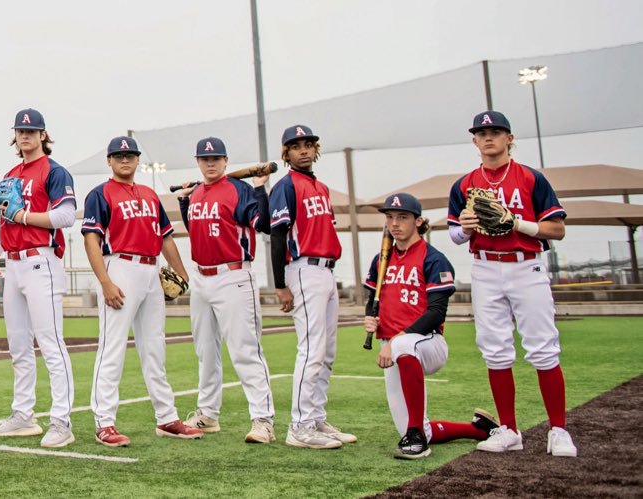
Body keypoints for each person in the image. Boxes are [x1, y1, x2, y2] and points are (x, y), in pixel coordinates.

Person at [447, 111, 574, 457]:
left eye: (496, 131)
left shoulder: (531, 179)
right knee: (495, 349)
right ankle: (509, 430)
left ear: (509, 138)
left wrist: (517, 223)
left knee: (543, 348)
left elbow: (557, 229)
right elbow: (455, 234)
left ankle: (558, 430)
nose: (489, 137)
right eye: (482, 132)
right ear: (474, 140)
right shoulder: (464, 184)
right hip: (485, 268)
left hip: (525, 266)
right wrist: (467, 227)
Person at [80, 136, 203, 447]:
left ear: (137, 160)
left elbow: (166, 239)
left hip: (151, 269)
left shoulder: (149, 194)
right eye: (119, 155)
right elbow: (91, 240)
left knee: (154, 348)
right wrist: (105, 282)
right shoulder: (100, 194)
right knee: (113, 347)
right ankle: (104, 422)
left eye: (130, 155)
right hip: (119, 265)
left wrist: (182, 273)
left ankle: (167, 418)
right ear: (109, 160)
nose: (125, 159)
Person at [366, 193, 498, 459]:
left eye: (402, 217)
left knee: (403, 344)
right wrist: (370, 317)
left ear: (418, 221)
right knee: (408, 426)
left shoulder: (433, 258)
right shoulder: (382, 259)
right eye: (390, 217)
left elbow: (436, 313)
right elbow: (374, 298)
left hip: (427, 343)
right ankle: (479, 430)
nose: (394, 223)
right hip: (394, 347)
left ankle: (417, 439)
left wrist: (394, 340)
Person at [0, 108, 78, 448]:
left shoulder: (54, 171)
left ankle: (61, 421)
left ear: (43, 135)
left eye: (32, 131)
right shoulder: (10, 173)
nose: (25, 136)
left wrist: (22, 215)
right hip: (14, 264)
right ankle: (23, 415)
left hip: (41, 260)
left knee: (51, 343)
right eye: (21, 131)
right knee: (19, 346)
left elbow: (67, 215)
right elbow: (3, 219)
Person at [174, 137, 276, 444]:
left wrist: (259, 188)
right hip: (202, 277)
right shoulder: (196, 193)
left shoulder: (239, 189)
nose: (210, 163)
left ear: (226, 160)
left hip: (233, 275)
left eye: (216, 158)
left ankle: (262, 419)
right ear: (197, 162)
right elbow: (196, 232)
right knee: (205, 351)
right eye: (205, 159)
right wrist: (183, 201)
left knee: (245, 349)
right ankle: (207, 414)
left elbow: (266, 224)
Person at [267, 124, 356, 449]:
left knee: (327, 351)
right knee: (312, 348)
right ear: (286, 153)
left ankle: (316, 417)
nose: (303, 150)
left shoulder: (319, 187)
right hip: (303, 269)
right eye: (296, 146)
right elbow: (277, 236)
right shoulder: (286, 186)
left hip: (326, 270)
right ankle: (300, 427)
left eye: (308, 144)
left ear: (316, 149)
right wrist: (279, 285)